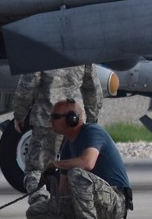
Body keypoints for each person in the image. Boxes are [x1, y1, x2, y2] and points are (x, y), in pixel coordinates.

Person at [23, 98, 131, 219]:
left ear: (72, 119)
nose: (50, 120)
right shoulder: (68, 145)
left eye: (55, 116)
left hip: (115, 201)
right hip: (96, 203)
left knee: (77, 173)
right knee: (35, 212)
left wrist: (56, 164)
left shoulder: (93, 132)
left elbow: (88, 162)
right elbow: (62, 193)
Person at [10, 65, 102, 195]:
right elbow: (93, 89)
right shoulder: (81, 52)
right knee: (75, 168)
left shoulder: (41, 50)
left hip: (47, 120)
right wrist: (92, 119)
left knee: (36, 171)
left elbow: (27, 87)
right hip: (75, 121)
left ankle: (40, 202)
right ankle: (74, 206)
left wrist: (20, 114)